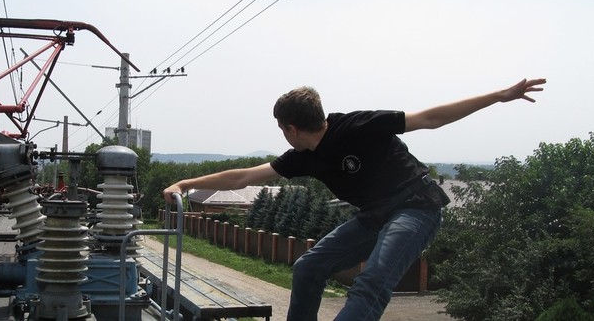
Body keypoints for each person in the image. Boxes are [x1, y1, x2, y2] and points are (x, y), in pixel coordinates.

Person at [163, 78, 546, 320]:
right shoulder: (303, 157)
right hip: (375, 215)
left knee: (372, 282)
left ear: (291, 128)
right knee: (308, 268)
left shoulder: (359, 125)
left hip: (416, 207)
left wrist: (499, 96)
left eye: (281, 128)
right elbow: (244, 177)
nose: (283, 135)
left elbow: (430, 118)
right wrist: (186, 182)